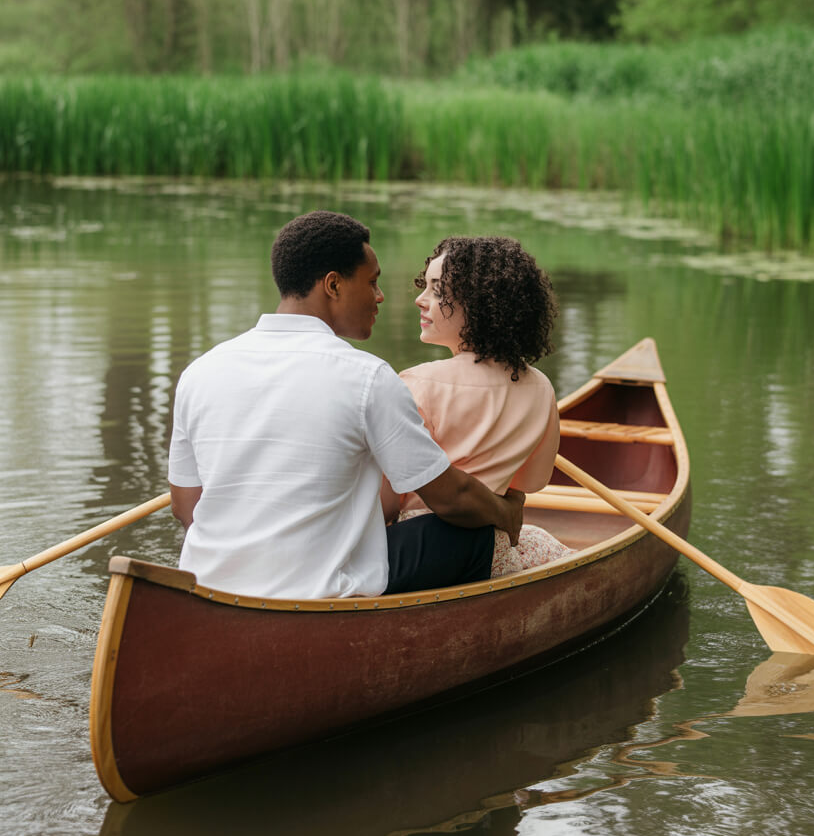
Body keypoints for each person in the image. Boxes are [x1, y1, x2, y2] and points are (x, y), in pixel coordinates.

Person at [167, 211, 524, 600]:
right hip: (317, 591)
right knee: (469, 532)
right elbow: (451, 497)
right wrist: (505, 512)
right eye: (372, 282)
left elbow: (186, 508)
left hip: (209, 585)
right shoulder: (368, 378)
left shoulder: (199, 372)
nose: (380, 296)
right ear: (333, 285)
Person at [383, 236, 572, 577]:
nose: (420, 300)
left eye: (436, 291)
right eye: (424, 287)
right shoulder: (541, 386)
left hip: (418, 549)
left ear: (480, 303)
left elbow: (386, 500)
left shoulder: (417, 383)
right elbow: (529, 484)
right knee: (540, 541)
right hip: (493, 550)